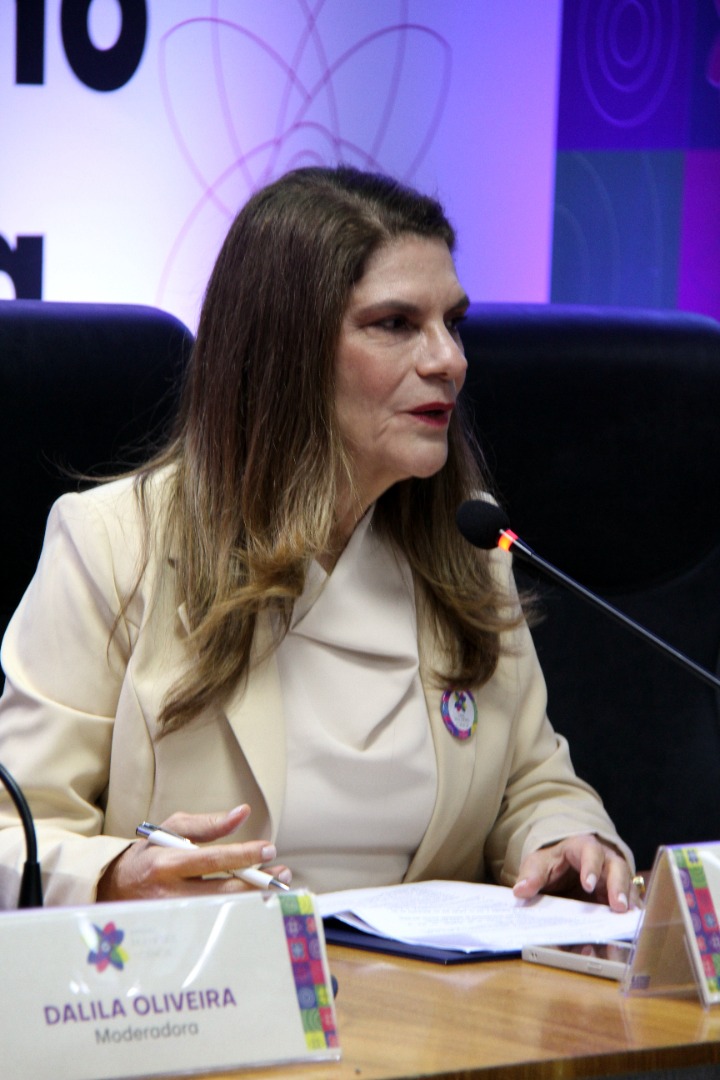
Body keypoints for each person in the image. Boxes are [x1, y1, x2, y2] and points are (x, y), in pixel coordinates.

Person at [0, 166, 634, 909]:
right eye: (396, 324)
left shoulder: (468, 543)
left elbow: (535, 783)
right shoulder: (115, 543)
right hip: (211, 976)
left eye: (452, 323)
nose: (450, 360)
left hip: (421, 985)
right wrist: (116, 876)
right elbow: (15, 834)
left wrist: (563, 840)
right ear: (286, 352)